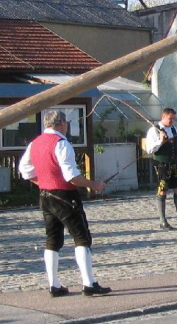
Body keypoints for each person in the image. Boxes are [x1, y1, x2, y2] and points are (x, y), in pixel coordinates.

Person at [18, 109, 110, 297]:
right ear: (60, 122)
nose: (67, 125)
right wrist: (93, 185)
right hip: (65, 195)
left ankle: (54, 284)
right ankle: (88, 282)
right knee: (81, 238)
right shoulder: (61, 143)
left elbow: (25, 170)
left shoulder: (35, 143)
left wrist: (44, 183)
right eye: (66, 122)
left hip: (45, 195)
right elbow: (71, 177)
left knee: (52, 239)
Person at [146, 107, 177, 230]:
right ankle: (163, 221)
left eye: (173, 118)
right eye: (170, 118)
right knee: (162, 190)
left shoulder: (174, 129)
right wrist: (160, 141)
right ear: (163, 116)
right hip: (162, 164)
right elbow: (149, 149)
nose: (172, 120)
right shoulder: (154, 130)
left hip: (174, 163)